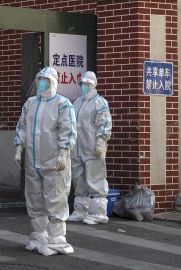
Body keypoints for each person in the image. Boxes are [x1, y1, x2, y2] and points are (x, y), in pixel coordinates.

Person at [14, 67, 77, 256]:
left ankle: (57, 239)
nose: (42, 83)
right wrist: (19, 149)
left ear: (53, 82)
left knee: (56, 198)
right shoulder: (30, 103)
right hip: (33, 162)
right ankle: (39, 235)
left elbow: (68, 130)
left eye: (46, 80)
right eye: (40, 79)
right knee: (34, 198)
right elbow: (22, 127)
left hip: (54, 162)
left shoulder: (62, 104)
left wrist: (63, 154)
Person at [67, 71, 112, 225]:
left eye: (87, 84)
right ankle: (80, 211)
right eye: (82, 84)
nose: (84, 86)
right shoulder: (77, 102)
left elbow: (104, 124)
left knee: (96, 179)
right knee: (79, 180)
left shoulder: (100, 102)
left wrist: (100, 142)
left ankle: (99, 213)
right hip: (78, 148)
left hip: (93, 148)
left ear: (94, 84)